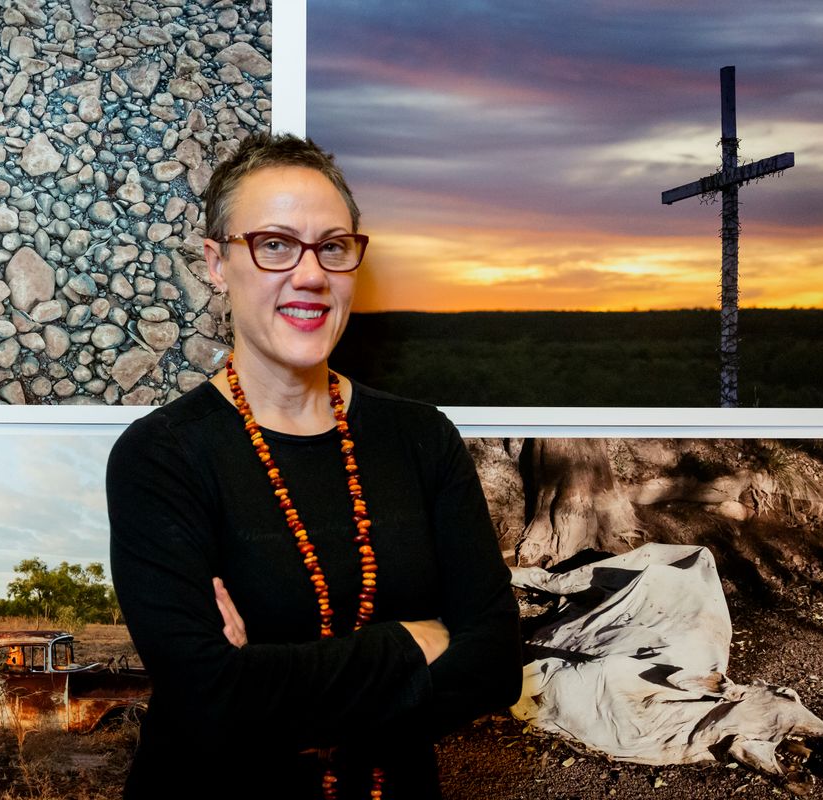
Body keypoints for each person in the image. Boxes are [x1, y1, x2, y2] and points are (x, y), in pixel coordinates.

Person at [107, 132, 521, 799]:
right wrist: (412, 643)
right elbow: (210, 698)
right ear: (217, 263)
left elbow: (496, 664)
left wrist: (267, 679)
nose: (310, 275)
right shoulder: (161, 455)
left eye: (332, 246)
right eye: (274, 244)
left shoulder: (421, 438)